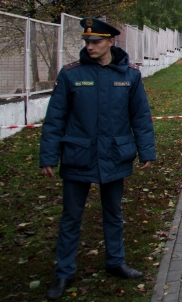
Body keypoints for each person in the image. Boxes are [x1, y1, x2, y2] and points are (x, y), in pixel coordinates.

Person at [39, 17, 156, 300]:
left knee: (113, 214)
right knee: (71, 217)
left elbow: (140, 116)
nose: (90, 46)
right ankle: (64, 273)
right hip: (78, 156)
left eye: (96, 42)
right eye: (87, 42)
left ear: (110, 42)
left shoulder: (129, 75)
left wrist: (147, 150)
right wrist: (48, 157)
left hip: (115, 155)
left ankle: (116, 261)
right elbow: (55, 119)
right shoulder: (70, 74)